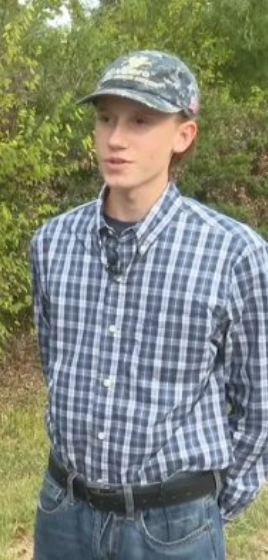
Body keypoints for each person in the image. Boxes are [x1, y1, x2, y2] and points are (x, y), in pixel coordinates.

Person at [30, 50, 268, 559]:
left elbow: (259, 406)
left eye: (141, 120)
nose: (116, 138)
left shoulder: (234, 254)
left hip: (174, 528)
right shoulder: (51, 243)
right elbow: (54, 360)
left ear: (183, 135)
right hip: (63, 517)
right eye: (105, 118)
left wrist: (205, 508)